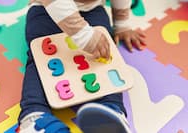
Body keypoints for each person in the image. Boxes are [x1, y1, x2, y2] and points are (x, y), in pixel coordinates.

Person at [17, 0, 145, 133]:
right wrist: (83, 35)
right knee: (42, 56)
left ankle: (111, 109)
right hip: (47, 9)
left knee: (105, 53)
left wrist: (122, 24)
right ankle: (34, 116)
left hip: (92, 9)